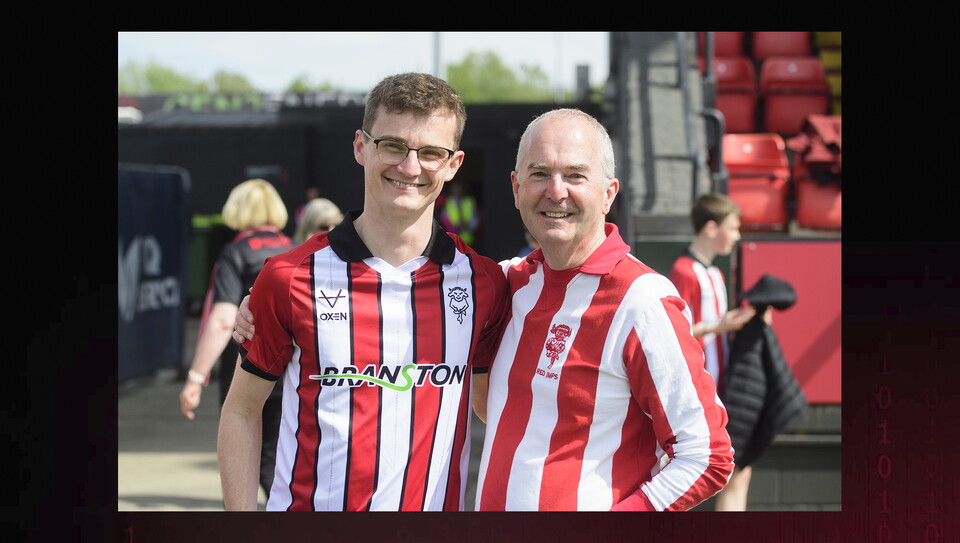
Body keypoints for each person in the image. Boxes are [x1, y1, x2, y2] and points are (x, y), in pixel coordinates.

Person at [217, 72, 509, 512]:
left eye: (431, 152)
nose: (410, 167)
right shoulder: (288, 277)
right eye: (392, 145)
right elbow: (241, 411)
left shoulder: (487, 284)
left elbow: (497, 406)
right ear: (360, 146)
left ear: (453, 164)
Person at [473, 109, 734, 511]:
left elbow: (708, 456)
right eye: (539, 173)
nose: (556, 191)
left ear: (609, 193)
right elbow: (500, 412)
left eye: (575, 175)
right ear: (516, 186)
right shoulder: (507, 283)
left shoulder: (642, 301)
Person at [179, 178, 292, 499]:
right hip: (292, 368)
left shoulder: (236, 251)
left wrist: (195, 377)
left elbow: (223, 320)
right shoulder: (295, 249)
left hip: (248, 368)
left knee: (251, 452)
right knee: (280, 452)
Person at [666, 192, 757, 511]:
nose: (737, 236)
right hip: (698, 390)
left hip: (723, 386)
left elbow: (714, 325)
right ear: (710, 228)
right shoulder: (684, 271)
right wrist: (721, 326)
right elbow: (674, 332)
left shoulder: (716, 274)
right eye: (733, 228)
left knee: (739, 473)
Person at [720, 273, 806, 512]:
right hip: (741, 422)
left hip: (738, 419)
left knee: (738, 480)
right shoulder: (754, 332)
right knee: (735, 482)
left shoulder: (749, 329)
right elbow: (746, 385)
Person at [438, 181, 479, 245]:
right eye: (455, 189)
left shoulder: (469, 201)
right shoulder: (448, 202)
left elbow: (475, 217)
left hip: (469, 237)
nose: (457, 191)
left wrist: (468, 226)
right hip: (453, 238)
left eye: (458, 189)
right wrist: (455, 228)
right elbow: (444, 218)